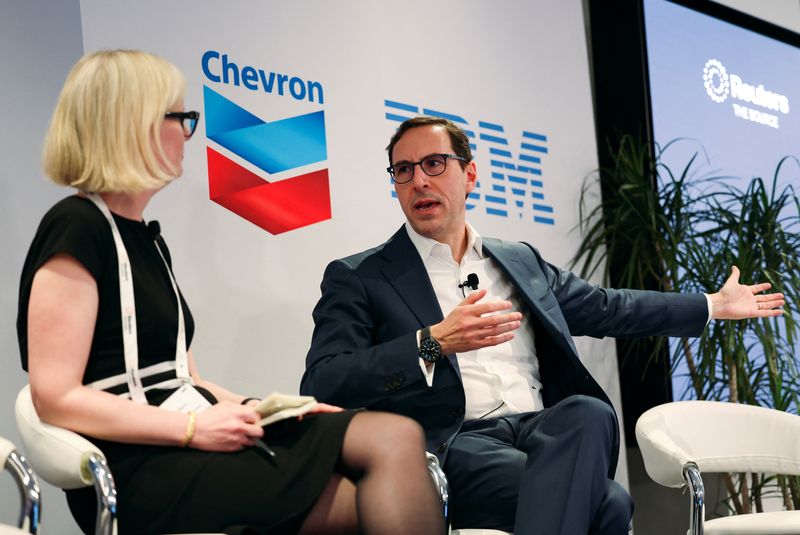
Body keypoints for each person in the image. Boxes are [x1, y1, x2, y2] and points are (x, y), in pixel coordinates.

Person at [17, 51, 444, 535]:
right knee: (373, 482)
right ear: (131, 126)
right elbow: (54, 397)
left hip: (189, 432)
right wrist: (194, 429)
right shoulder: (76, 227)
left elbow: (185, 376)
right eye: (179, 118)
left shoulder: (144, 237)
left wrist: (272, 406)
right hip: (142, 462)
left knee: (394, 440)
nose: (187, 132)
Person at [300, 116, 785, 535]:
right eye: (403, 171)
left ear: (469, 174)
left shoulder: (517, 260)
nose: (419, 181)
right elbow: (325, 380)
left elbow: (609, 307)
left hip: (542, 432)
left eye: (434, 164)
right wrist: (433, 342)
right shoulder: (361, 276)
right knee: (609, 504)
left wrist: (709, 306)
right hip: (456, 446)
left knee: (589, 412)